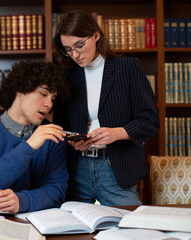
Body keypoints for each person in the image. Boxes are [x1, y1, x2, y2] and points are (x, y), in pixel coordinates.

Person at [52, 10, 160, 206]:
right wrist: (71, 141)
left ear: (96, 35)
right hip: (77, 168)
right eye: (67, 49)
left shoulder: (128, 68)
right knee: (74, 233)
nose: (75, 54)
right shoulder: (67, 75)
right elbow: (59, 125)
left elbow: (150, 120)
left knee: (128, 230)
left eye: (79, 45)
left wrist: (118, 133)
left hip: (115, 167)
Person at [0, 60, 69, 213]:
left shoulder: (52, 135)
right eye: (43, 94)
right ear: (20, 89)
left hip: (34, 221)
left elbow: (56, 190)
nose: (49, 104)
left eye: (52, 98)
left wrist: (22, 201)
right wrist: (29, 146)